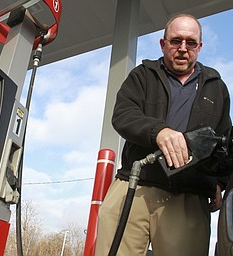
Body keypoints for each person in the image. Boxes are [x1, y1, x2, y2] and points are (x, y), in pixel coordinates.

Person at [95, 14, 232, 256]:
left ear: (200, 47)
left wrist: (221, 182)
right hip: (134, 185)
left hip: (188, 196)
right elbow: (123, 115)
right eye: (175, 40)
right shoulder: (142, 75)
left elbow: (223, 139)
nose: (182, 49)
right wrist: (159, 132)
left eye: (190, 42)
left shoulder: (217, 87)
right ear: (163, 43)